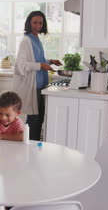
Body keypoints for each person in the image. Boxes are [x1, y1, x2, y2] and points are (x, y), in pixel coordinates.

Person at [12, 11, 62, 141]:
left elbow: (37, 58)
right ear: (29, 23)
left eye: (40, 22)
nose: (38, 25)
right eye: (35, 22)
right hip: (32, 86)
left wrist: (50, 61)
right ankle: (31, 146)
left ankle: (35, 145)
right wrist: (41, 65)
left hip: (40, 86)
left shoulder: (36, 39)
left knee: (38, 119)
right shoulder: (26, 40)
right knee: (33, 119)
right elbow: (20, 65)